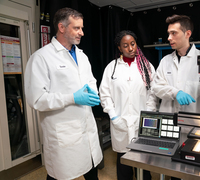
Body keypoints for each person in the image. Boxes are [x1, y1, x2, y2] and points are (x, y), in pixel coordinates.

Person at [24, 7, 102, 180]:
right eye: (77, 28)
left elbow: (91, 81)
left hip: (86, 126)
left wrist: (92, 93)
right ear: (61, 27)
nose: (81, 33)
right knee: (60, 174)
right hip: (63, 132)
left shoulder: (82, 56)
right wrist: (72, 98)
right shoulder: (41, 58)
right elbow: (36, 99)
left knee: (91, 169)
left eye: (82, 28)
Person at [152, 15, 200, 179]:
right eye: (168, 33)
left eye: (174, 33)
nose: (169, 38)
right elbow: (156, 87)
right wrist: (175, 92)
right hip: (169, 124)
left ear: (187, 33)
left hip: (194, 126)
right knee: (170, 166)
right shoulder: (165, 61)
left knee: (192, 167)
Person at [99, 30, 157, 180]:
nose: (131, 48)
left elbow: (153, 94)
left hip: (142, 121)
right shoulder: (112, 68)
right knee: (123, 161)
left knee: (144, 161)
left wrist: (149, 114)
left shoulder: (147, 66)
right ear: (119, 48)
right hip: (121, 121)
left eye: (133, 44)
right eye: (125, 45)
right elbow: (105, 94)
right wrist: (113, 116)